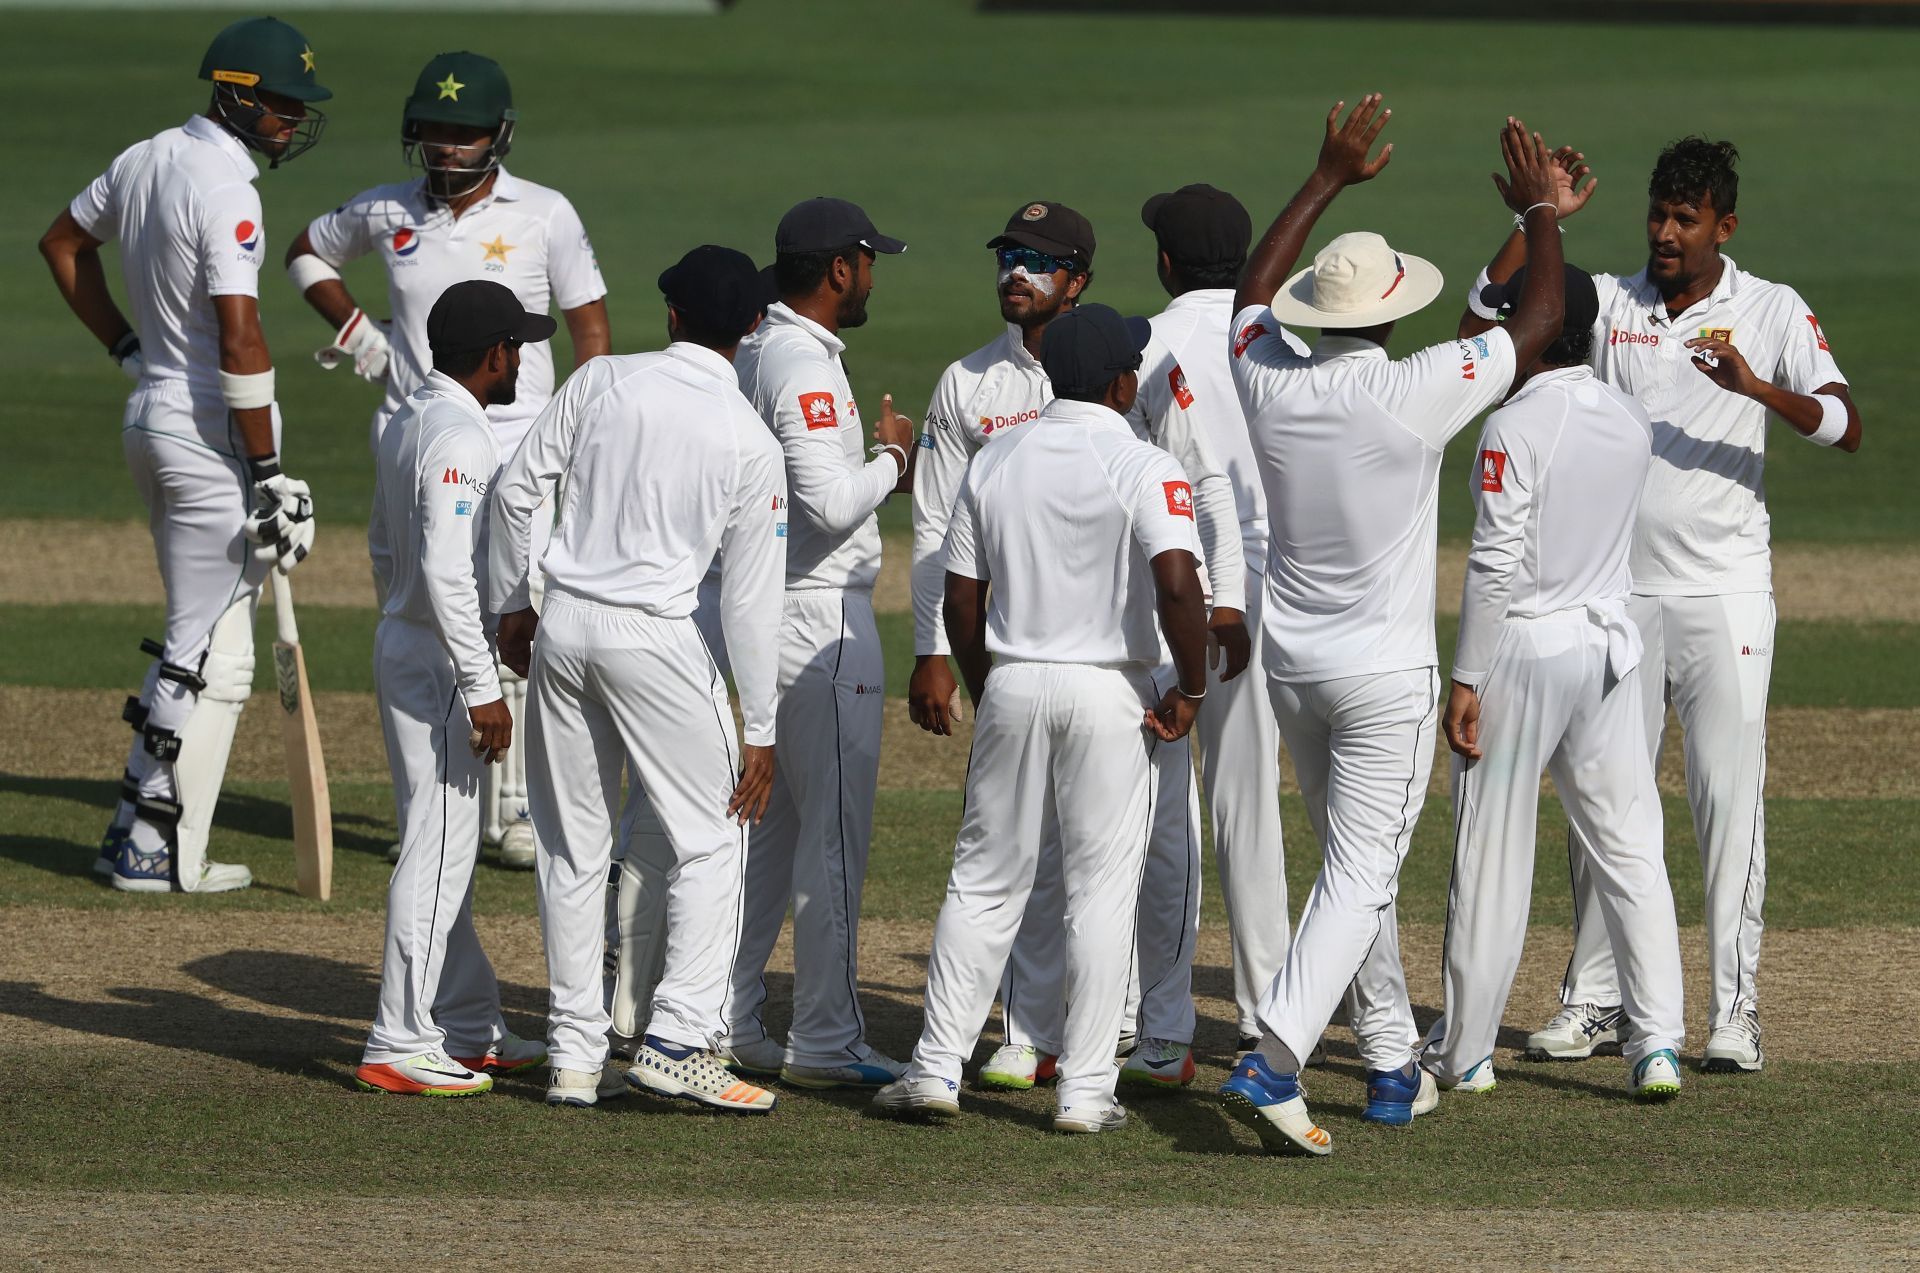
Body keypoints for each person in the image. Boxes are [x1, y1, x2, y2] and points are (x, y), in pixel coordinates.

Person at [1216, 103, 1567, 1156]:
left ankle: (1385, 1062)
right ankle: (1273, 1059)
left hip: (1295, 669)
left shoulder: (1268, 380)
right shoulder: (1417, 389)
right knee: (1363, 876)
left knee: (1344, 868)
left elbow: (1245, 296)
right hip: (1381, 678)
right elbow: (1540, 322)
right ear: (1392, 313)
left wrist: (1323, 177)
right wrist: (1544, 212)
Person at [1475, 139, 1863, 1075]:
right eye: (1658, 215)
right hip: (1616, 600)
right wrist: (1538, 221)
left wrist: (1758, 390)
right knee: (1607, 808)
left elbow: (1846, 424)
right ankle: (1597, 1000)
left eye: (1686, 220)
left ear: (1724, 227)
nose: (1666, 234)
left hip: (1725, 594)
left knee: (1727, 805)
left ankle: (1735, 1010)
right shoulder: (1613, 301)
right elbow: (1487, 320)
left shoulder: (1769, 309)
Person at [909, 200, 1242, 1092]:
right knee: (1072, 870)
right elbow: (940, 534)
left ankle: (1154, 1026)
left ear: (1077, 281)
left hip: (1087, 668)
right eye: (1008, 254)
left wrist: (1223, 609)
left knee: (1112, 855)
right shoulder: (981, 392)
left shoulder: (1119, 388)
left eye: (1038, 259)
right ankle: (1053, 1052)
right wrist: (936, 654)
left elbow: (1204, 490)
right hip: (1089, 676)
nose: (1016, 271)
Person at [871, 303, 1210, 1133]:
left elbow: (960, 600)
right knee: (1100, 893)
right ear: (1125, 383)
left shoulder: (997, 454)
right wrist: (1192, 687)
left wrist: (990, 685)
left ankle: (934, 1067)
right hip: (1110, 690)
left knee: (983, 882)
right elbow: (1177, 581)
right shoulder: (1141, 461)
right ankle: (1087, 1092)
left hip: (1016, 679)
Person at [285, 50, 610, 869]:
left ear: (497, 135)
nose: (448, 146)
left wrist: (581, 433)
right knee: (420, 616)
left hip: (518, 444)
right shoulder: (388, 210)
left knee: (519, 622)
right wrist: (365, 341)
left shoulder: (544, 213)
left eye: (464, 132)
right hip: (411, 435)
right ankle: (433, 805)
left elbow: (590, 329)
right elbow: (304, 254)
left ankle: (525, 812)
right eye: (435, 129)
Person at [488, 245, 786, 1113]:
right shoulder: (750, 439)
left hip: (566, 623)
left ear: (672, 315)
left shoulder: (601, 381)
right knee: (716, 840)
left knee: (572, 850)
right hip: (656, 636)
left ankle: (577, 1058)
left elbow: (515, 495)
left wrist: (514, 605)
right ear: (752, 328)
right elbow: (752, 603)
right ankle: (679, 1039)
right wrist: (758, 727)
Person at [40, 16, 327, 893]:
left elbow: (62, 243)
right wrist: (270, 471)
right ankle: (149, 850)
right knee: (198, 644)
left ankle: (143, 829)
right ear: (236, 94)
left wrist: (129, 348)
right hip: (206, 433)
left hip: (152, 414)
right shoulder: (230, 189)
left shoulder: (146, 156)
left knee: (209, 644)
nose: (290, 121)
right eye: (280, 105)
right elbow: (242, 340)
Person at [1421, 264, 1687, 1104]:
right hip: (1607, 647)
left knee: (1491, 854)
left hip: (1526, 652)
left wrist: (1466, 676)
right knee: (1631, 845)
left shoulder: (1515, 426)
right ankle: (1658, 1042)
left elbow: (1496, 559)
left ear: (1535, 328)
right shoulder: (1629, 417)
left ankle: (1465, 1051)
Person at [720, 198, 915, 1089]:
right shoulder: (800, 359)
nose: (873, 275)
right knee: (830, 838)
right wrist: (895, 460)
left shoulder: (759, 344)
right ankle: (829, 1037)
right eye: (870, 260)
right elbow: (828, 502)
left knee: (778, 833)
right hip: (820, 619)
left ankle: (731, 1011)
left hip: (773, 608)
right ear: (840, 268)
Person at [354, 280, 558, 1097]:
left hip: (411, 641)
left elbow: (379, 543)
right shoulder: (459, 439)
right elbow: (445, 567)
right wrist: (481, 684)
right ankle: (397, 1037)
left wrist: (403, 620)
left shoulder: (408, 419)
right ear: (495, 354)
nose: (523, 360)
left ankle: (471, 1025)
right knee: (437, 849)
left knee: (440, 845)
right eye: (519, 346)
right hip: (441, 656)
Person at [1129, 183, 1286, 1071]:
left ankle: (1159, 1018)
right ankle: (1266, 1017)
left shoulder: (1152, 345)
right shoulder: (1280, 332)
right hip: (1285, 584)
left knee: (1166, 815)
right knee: (1249, 808)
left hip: (1187, 591)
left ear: (1166, 261)